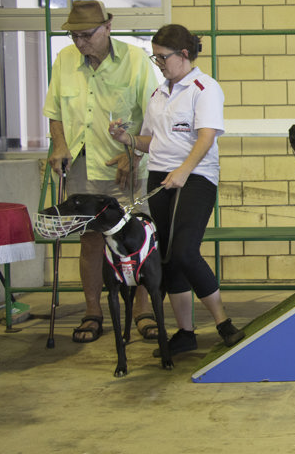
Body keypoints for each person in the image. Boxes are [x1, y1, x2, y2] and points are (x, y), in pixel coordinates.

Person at [110, 24, 244, 355]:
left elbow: (206, 136)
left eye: (162, 57)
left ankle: (223, 322)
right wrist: (127, 140)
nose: (158, 64)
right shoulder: (158, 94)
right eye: (154, 57)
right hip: (160, 177)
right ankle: (185, 332)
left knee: (185, 251)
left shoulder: (204, 88)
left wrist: (184, 171)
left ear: (184, 55)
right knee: (168, 257)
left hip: (195, 177)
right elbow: (152, 141)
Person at [43, 0, 159, 344]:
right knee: (90, 239)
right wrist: (59, 145)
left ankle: (142, 310)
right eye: (74, 36)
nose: (80, 42)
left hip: (125, 168)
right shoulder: (65, 60)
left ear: (108, 27)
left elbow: (153, 116)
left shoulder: (135, 60)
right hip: (81, 164)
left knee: (136, 240)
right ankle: (93, 311)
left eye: (87, 35)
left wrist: (132, 152)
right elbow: (54, 112)